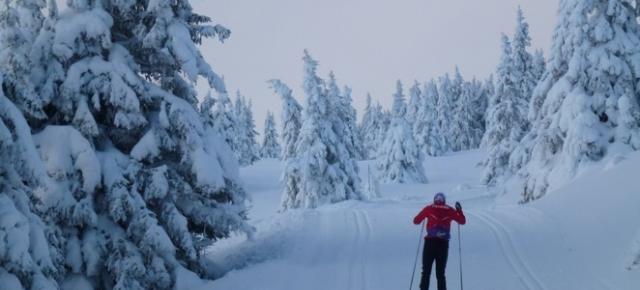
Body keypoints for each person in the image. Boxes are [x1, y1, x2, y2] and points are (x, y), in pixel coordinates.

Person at [413, 192, 466, 290]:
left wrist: (426, 216)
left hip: (430, 243)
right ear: (444, 200)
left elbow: (416, 221)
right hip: (443, 244)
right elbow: (462, 221)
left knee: (426, 272)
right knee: (440, 274)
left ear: (435, 200)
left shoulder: (429, 208)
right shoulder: (450, 210)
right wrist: (459, 210)